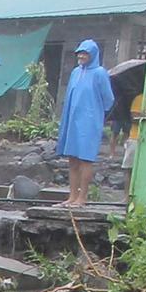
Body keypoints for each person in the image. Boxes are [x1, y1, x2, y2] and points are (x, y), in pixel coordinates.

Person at [57, 39, 115, 207]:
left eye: (85, 53)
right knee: (72, 159)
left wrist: (94, 113)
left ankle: (83, 197)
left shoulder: (99, 72)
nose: (81, 56)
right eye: (80, 53)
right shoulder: (76, 72)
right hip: (72, 119)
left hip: (89, 121)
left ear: (93, 55)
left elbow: (108, 99)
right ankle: (72, 196)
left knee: (85, 159)